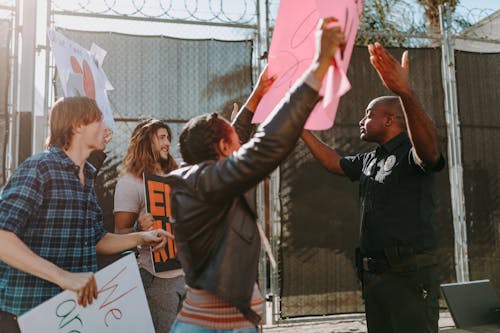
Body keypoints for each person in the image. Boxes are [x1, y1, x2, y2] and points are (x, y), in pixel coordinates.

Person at [166, 18, 345, 333]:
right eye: (235, 142)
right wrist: (317, 67)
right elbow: (265, 147)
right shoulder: (206, 183)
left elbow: (236, 135)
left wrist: (259, 93)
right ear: (223, 148)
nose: (242, 141)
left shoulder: (202, 179)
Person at [301, 43, 445, 333]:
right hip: (376, 279)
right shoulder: (370, 158)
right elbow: (335, 163)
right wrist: (300, 129)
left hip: (410, 278)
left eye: (368, 114)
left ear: (390, 120)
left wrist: (405, 92)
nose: (361, 120)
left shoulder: (412, 151)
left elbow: (430, 153)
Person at [0, 97, 172, 333]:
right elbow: (2, 237)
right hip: (26, 316)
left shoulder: (87, 177)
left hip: (69, 317)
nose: (107, 129)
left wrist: (142, 237)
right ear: (78, 126)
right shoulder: (40, 167)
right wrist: (64, 277)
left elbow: (97, 240)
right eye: (99, 121)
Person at [114, 118, 184, 332]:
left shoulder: (178, 172)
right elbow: (119, 233)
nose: (167, 143)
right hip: (157, 279)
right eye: (161, 137)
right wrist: (139, 228)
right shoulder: (129, 183)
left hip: (188, 274)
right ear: (145, 141)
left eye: (168, 138)